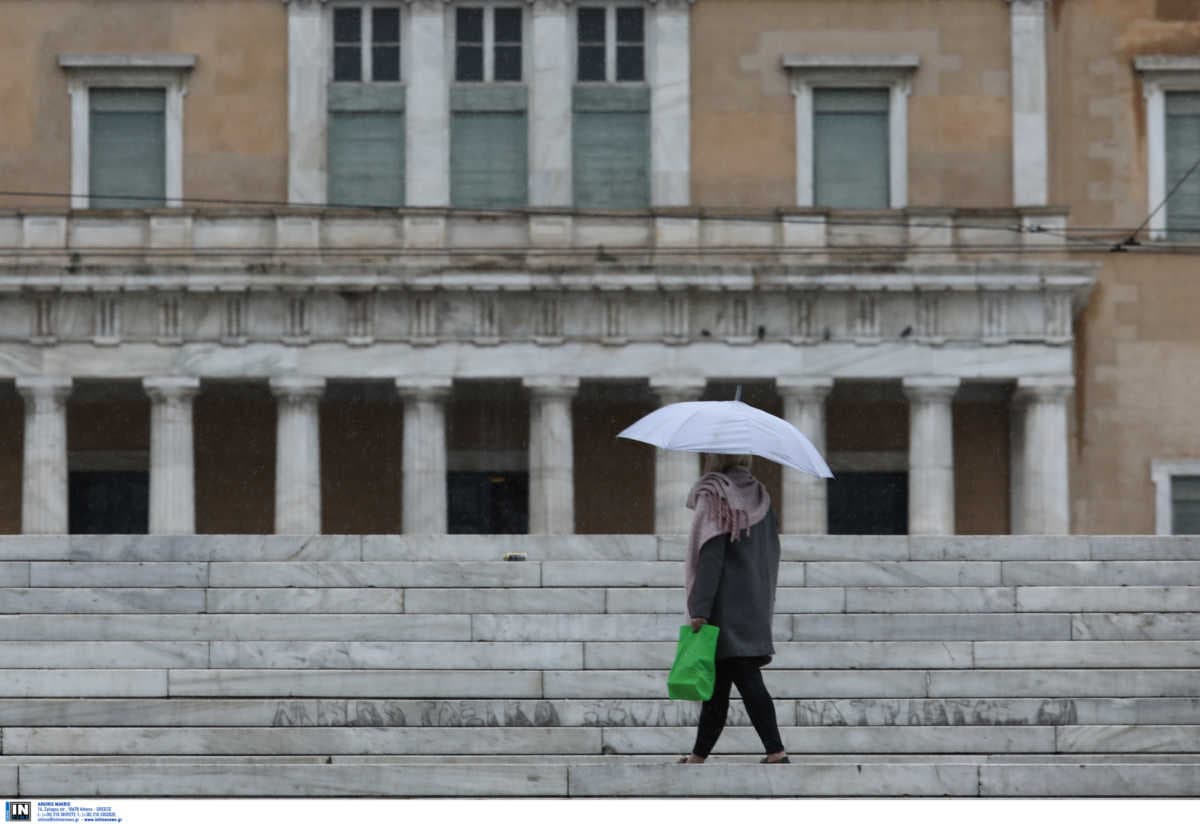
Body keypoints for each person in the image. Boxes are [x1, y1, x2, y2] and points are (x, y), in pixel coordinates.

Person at [678, 452, 789, 765]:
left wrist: (699, 607)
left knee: (745, 678)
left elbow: (710, 555)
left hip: (723, 607)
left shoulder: (715, 494)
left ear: (715, 458)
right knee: (717, 688)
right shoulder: (762, 497)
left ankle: (776, 752)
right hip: (752, 600)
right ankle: (698, 756)